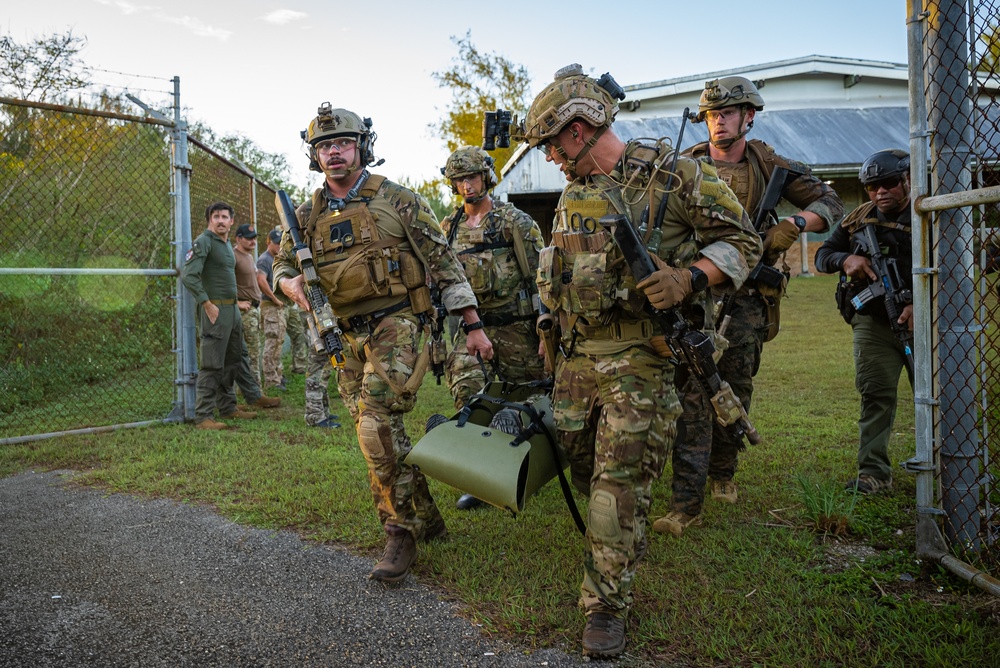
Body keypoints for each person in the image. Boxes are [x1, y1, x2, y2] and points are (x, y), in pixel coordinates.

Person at [513, 64, 761, 658]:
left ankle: (605, 604)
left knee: (618, 483)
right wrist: (551, 328)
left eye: (550, 144)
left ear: (576, 132)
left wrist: (690, 277)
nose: (548, 157)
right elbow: (562, 270)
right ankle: (614, 549)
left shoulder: (677, 176)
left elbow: (744, 240)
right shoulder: (574, 194)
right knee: (576, 458)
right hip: (578, 357)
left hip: (641, 356)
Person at [272, 103, 493, 583]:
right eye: (324, 146)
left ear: (362, 147)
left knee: (374, 425)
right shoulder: (306, 215)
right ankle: (427, 518)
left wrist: (471, 324)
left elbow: (443, 261)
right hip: (340, 335)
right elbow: (282, 266)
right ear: (315, 155)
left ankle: (399, 533)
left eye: (343, 143)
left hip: (397, 325)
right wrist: (288, 283)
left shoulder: (398, 199)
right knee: (379, 433)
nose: (334, 152)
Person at [652, 76, 845, 536]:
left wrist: (796, 222)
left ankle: (723, 469)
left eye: (728, 113)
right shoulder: (684, 166)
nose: (719, 121)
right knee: (694, 389)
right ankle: (685, 501)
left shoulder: (770, 164)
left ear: (748, 116)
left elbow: (831, 202)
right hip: (697, 292)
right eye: (712, 115)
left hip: (749, 298)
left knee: (735, 382)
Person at [439, 146, 548, 511]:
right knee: (469, 397)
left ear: (486, 176)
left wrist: (546, 333)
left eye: (472, 177)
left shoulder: (514, 222)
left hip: (518, 329)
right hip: (473, 330)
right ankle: (482, 480)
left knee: (530, 399)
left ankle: (526, 468)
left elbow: (542, 280)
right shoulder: (448, 228)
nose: (467, 185)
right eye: (459, 179)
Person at [815, 149, 913, 495]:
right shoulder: (858, 219)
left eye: (888, 184)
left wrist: (922, 304)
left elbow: (959, 268)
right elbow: (821, 256)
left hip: (925, 323)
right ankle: (874, 472)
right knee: (875, 394)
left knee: (940, 396)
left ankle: (949, 468)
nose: (880, 193)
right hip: (873, 323)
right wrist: (846, 260)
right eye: (872, 187)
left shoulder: (929, 214)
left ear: (907, 180)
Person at [180, 202, 280, 431]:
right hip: (215, 311)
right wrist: (206, 302)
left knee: (236, 359)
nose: (221, 220)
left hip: (232, 311)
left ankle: (228, 407)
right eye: (216, 216)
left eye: (225, 217)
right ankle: (203, 416)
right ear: (209, 220)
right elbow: (189, 275)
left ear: (231, 221)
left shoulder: (225, 244)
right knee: (212, 363)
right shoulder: (204, 242)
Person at [257, 228, 288, 393]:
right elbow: (260, 280)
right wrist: (275, 299)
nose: (278, 246)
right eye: (276, 243)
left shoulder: (276, 258)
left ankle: (278, 375)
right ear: (268, 242)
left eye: (280, 243)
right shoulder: (264, 260)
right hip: (270, 306)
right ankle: (270, 379)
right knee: (271, 341)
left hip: (277, 307)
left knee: (278, 342)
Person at [300, 307, 341, 429]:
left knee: (325, 369)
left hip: (325, 317)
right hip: (318, 321)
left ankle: (322, 410)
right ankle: (314, 416)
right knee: (317, 367)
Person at [233, 224, 263, 386]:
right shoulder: (233, 256)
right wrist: (236, 303)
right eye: (249, 238)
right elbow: (224, 283)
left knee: (254, 350)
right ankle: (253, 390)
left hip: (253, 309)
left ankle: (252, 389)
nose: (253, 242)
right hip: (244, 311)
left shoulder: (249, 256)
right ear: (238, 238)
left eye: (255, 238)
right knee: (250, 352)